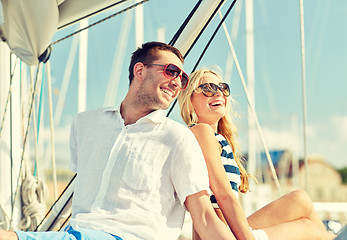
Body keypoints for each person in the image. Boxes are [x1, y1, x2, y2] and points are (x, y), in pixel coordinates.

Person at [0, 43, 236, 240]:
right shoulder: (85, 124)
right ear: (140, 70)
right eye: (170, 71)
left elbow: (204, 217)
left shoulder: (178, 138)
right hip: (77, 233)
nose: (177, 83)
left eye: (182, 78)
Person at [177, 67, 337, 240]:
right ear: (189, 99)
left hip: (229, 230)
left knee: (300, 199)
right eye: (208, 88)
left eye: (223, 88)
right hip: (220, 235)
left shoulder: (217, 138)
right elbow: (224, 196)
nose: (218, 93)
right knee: (307, 228)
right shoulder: (201, 131)